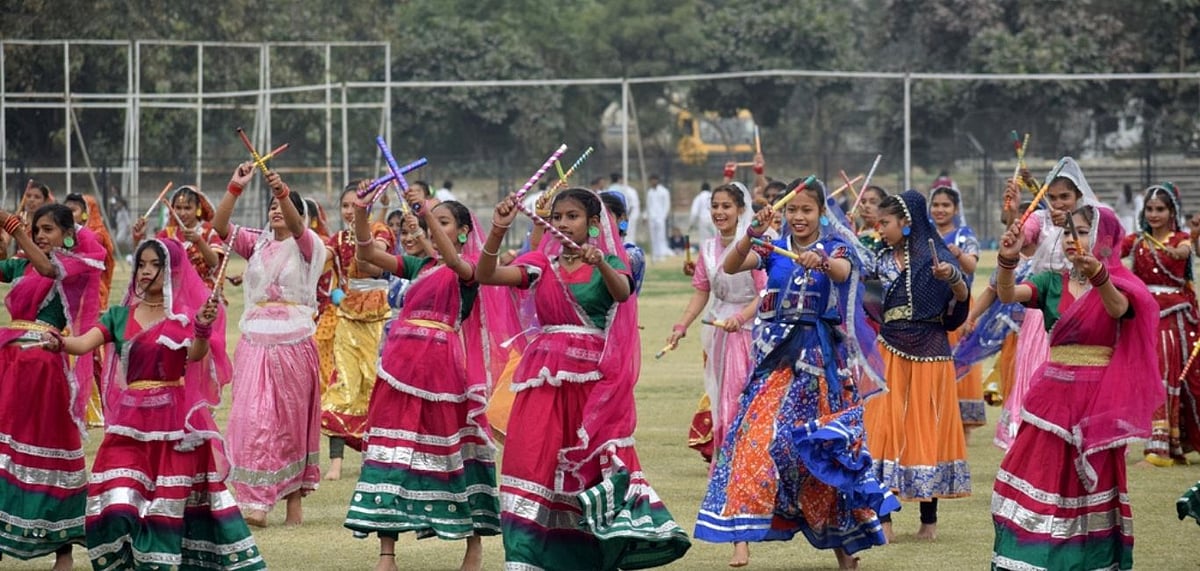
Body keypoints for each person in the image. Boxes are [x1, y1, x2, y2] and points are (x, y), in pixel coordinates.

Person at [478, 187, 691, 570]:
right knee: (530, 464)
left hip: (592, 388)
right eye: (557, 217)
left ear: (593, 223)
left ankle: (592, 555)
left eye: (572, 217)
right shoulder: (541, 264)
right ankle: (525, 558)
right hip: (542, 384)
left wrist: (602, 263)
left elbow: (623, 292)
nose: (562, 224)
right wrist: (498, 228)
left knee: (587, 472)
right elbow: (486, 274)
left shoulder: (610, 261)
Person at [694, 178, 895, 570]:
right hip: (775, 363)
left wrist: (821, 261)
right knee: (750, 439)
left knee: (821, 456)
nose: (798, 217)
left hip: (820, 368)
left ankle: (845, 550)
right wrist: (752, 233)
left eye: (806, 210)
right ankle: (741, 539)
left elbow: (841, 271)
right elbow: (731, 265)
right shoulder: (773, 248)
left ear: (822, 213)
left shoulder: (837, 247)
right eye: (792, 210)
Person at [47, 238, 265, 570]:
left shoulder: (182, 318)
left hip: (174, 429)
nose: (146, 272)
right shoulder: (119, 316)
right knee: (117, 506)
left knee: (165, 513)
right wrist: (60, 342)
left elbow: (195, 355)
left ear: (172, 271)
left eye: (155, 265)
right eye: (142, 265)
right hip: (129, 427)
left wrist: (202, 328)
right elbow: (82, 343)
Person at [341, 184, 506, 571]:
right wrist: (364, 213)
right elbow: (367, 255)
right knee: (391, 451)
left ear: (464, 231)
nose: (434, 230)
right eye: (433, 223)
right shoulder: (420, 267)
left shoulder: (470, 269)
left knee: (455, 455)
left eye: (444, 223)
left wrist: (425, 211)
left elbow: (452, 260)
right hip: (399, 368)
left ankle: (474, 547)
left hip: (442, 372)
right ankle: (387, 554)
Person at [993, 204, 1158, 571]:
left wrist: (1099, 276)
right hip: (1051, 401)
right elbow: (1007, 295)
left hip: (1096, 404)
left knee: (1089, 490)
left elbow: (1117, 310)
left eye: (1082, 231)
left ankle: (1089, 562)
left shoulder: (1122, 284)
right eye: (1068, 231)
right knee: (1043, 477)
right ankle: (1035, 560)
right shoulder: (1052, 281)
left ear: (1104, 239)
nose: (1072, 238)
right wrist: (1006, 260)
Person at [212, 163, 326, 528]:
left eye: (284, 204)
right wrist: (235, 186)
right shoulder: (256, 242)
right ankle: (255, 501)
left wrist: (282, 190)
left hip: (294, 344)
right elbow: (219, 227)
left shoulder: (306, 245)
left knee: (290, 422)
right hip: (254, 342)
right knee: (252, 418)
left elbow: (295, 226)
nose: (276, 209)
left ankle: (293, 503)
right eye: (273, 205)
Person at [864, 189, 972, 541]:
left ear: (906, 224)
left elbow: (958, 310)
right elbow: (871, 307)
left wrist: (953, 280)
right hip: (889, 349)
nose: (880, 229)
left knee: (928, 430)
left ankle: (929, 520)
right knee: (881, 432)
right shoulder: (878, 259)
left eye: (886, 223)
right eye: (878, 223)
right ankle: (885, 519)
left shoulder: (937, 257)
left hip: (931, 352)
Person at [0, 204, 103, 571]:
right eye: (36, 229)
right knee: (7, 453)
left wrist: (13, 226)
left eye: (48, 229)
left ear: (66, 234)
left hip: (43, 367)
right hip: (10, 364)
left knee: (48, 448)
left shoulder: (71, 265)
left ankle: (64, 550)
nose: (41, 235)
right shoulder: (22, 265)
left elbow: (47, 268)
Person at [996, 157, 1100, 448]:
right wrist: (1013, 214)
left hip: (1084, 306)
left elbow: (1109, 250)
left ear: (1079, 196)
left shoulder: (1094, 222)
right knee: (1037, 374)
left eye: (1065, 197)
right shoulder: (1040, 220)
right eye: (1052, 197)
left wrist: (1075, 227)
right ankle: (1032, 438)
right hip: (1043, 309)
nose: (1059, 203)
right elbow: (1017, 235)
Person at [668, 182, 764, 463]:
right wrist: (681, 326)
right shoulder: (708, 249)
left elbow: (764, 293)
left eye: (726, 206)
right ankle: (725, 462)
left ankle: (745, 460)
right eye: (715, 206)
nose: (719, 212)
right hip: (719, 334)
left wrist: (740, 317)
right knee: (720, 397)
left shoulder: (755, 246)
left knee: (740, 396)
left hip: (750, 332)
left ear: (741, 210)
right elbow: (701, 292)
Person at [319, 183, 395, 481]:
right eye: (345, 206)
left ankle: (372, 457)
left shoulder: (380, 231)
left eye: (355, 205)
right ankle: (335, 463)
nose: (350, 211)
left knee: (375, 387)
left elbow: (377, 263)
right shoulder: (336, 239)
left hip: (378, 318)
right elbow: (316, 262)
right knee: (342, 386)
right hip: (347, 318)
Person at [1121, 182, 1200, 466]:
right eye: (1150, 209)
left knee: (1164, 376)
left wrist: (1187, 244)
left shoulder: (1181, 238)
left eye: (1161, 209)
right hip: (1144, 317)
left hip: (1173, 318)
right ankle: (1161, 443)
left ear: (1172, 211)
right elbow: (1106, 251)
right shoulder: (1137, 240)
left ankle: (1160, 448)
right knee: (1147, 376)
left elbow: (1186, 250)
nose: (1154, 215)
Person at [928, 185, 984, 434]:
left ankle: (960, 437)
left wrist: (958, 254)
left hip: (959, 309)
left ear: (956, 208)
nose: (940, 210)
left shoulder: (964, 235)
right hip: (931, 309)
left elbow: (971, 267)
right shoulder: (925, 234)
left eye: (945, 205)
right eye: (936, 205)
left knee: (960, 367)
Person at [133, 185, 227, 294]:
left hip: (204, 296)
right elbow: (145, 259)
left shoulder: (208, 231)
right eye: (178, 208)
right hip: (175, 296)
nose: (182, 213)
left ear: (198, 209)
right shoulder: (167, 234)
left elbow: (214, 262)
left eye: (187, 208)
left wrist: (199, 241)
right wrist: (138, 238)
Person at [599, 191, 647, 294]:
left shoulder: (633, 253)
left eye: (606, 216)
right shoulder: (587, 249)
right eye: (598, 217)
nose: (602, 222)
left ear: (622, 218)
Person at [608, 173, 640, 243]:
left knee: (626, 231)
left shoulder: (628, 190)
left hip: (625, 214)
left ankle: (626, 244)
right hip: (622, 214)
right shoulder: (617, 188)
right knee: (623, 231)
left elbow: (632, 204)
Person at [645, 174, 672, 261]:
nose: (653, 182)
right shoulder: (649, 192)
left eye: (654, 180)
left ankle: (661, 254)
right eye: (651, 180)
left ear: (657, 180)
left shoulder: (664, 191)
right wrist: (645, 215)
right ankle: (655, 254)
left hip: (660, 217)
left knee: (660, 236)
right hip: (652, 217)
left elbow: (667, 204)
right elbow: (648, 205)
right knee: (653, 236)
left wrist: (664, 216)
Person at [856, 185, 888, 252]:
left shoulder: (886, 235)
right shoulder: (855, 231)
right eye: (863, 202)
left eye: (873, 202)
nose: (866, 206)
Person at [689, 182, 716, 246]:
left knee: (704, 240)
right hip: (714, 219)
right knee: (716, 239)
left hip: (703, 220)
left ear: (701, 189)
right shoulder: (713, 196)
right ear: (709, 189)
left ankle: (705, 255)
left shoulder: (698, 198)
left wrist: (692, 224)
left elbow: (694, 213)